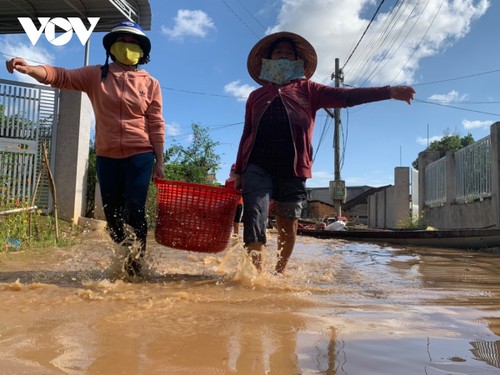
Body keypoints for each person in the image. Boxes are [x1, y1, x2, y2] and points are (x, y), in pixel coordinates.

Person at [233, 31, 415, 274]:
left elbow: (346, 97)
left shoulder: (309, 90)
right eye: (278, 53)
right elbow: (246, 134)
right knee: (254, 213)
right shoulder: (255, 96)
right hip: (257, 165)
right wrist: (237, 170)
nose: (284, 56)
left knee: (289, 221)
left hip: (293, 167)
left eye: (289, 53)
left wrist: (388, 92)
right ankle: (256, 278)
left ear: (298, 62)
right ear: (268, 60)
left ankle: (279, 271)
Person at [6, 21, 165, 277]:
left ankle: (137, 267)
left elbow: (156, 123)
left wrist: (160, 161)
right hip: (107, 155)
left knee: (134, 207)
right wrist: (30, 69)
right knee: (112, 214)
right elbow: (62, 76)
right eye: (122, 40)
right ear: (112, 47)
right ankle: (121, 256)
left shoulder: (151, 84)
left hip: (141, 154)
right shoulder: (95, 75)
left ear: (142, 51)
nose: (128, 46)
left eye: (134, 42)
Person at [224, 163, 244, 239]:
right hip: (229, 203)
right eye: (232, 171)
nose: (233, 173)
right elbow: (225, 192)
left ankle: (236, 237)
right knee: (227, 222)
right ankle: (226, 236)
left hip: (238, 204)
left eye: (235, 171)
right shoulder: (228, 181)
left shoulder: (240, 181)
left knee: (236, 222)